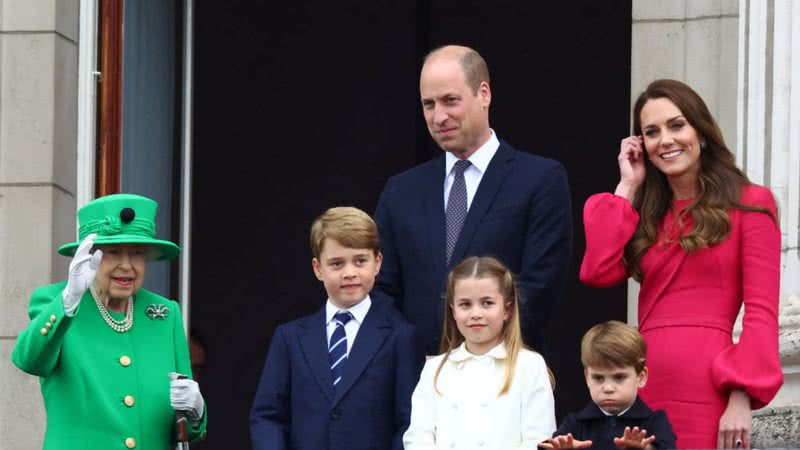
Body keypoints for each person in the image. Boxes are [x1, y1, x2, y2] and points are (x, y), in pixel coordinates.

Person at [580, 79, 783, 449]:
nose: (666, 140)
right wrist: (627, 187)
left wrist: (741, 396)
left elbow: (761, 313)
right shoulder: (646, 212)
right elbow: (597, 271)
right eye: (651, 132)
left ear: (700, 131)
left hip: (708, 388)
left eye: (677, 125)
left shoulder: (751, 203)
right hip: (643, 385)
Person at [373, 45, 572, 356]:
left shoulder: (539, 180)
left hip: (504, 373)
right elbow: (382, 289)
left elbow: (540, 286)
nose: (439, 116)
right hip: (419, 377)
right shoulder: (401, 190)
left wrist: (477, 352)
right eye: (428, 104)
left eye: (451, 100)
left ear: (484, 94)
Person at [11, 193, 207, 449]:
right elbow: (29, 360)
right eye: (113, 253)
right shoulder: (57, 303)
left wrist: (196, 413)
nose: (126, 266)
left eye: (137, 254)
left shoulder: (164, 314)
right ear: (88, 255)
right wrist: (68, 301)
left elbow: (186, 429)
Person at [249, 207, 423, 450]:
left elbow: (409, 423)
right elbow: (268, 417)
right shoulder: (289, 338)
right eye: (336, 263)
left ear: (378, 263)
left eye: (360, 261)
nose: (349, 273)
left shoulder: (401, 337)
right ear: (318, 268)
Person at [403, 256, 556, 449]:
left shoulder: (529, 365)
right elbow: (418, 437)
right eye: (465, 304)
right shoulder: (434, 369)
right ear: (453, 311)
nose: (476, 313)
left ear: (507, 310)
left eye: (487, 303)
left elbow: (538, 439)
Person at [540, 321, 676, 450]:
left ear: (641, 377)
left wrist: (645, 448)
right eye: (598, 378)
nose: (608, 388)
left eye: (619, 377)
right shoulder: (574, 424)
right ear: (587, 377)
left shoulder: (655, 422)